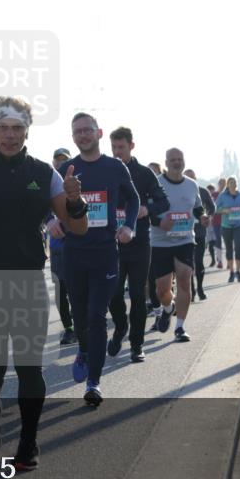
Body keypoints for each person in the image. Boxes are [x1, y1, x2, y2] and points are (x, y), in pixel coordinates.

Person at [0, 96, 87, 469]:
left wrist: (76, 202)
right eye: (3, 128)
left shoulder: (45, 172)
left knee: (30, 367)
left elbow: (76, 226)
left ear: (28, 130)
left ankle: (28, 442)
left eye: (17, 128)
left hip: (28, 281)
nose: (10, 136)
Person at [54, 113, 139, 405]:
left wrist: (130, 225)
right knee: (80, 320)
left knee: (96, 316)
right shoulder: (66, 169)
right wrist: (50, 221)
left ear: (99, 133)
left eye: (87, 130)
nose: (82, 136)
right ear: (73, 136)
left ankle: (94, 382)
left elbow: (134, 199)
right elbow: (50, 204)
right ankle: (85, 350)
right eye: (77, 132)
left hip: (105, 253)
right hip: (74, 253)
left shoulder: (114, 168)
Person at [107, 127, 168, 362]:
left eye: (121, 147)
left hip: (139, 243)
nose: (116, 152)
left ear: (131, 146)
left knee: (137, 295)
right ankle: (121, 328)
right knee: (113, 294)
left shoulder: (144, 173)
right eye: (113, 147)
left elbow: (163, 201)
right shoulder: (106, 170)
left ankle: (136, 345)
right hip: (112, 244)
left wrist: (146, 209)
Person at [151, 149, 206, 343]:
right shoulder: (156, 182)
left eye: (180, 159)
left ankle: (180, 327)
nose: (176, 162)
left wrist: (203, 216)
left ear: (184, 161)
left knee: (184, 280)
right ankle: (168, 308)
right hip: (160, 242)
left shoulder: (192, 185)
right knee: (162, 291)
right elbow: (147, 210)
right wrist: (159, 222)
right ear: (166, 162)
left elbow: (198, 207)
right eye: (173, 160)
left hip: (185, 239)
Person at [48, 147, 76, 345]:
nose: (60, 163)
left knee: (77, 288)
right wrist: (49, 219)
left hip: (77, 244)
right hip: (57, 245)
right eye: (57, 160)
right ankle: (68, 328)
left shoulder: (76, 183)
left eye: (64, 159)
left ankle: (80, 323)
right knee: (60, 290)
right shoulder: (46, 182)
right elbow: (41, 206)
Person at [184, 169, 215, 301]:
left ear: (195, 179)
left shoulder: (202, 191)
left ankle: (200, 288)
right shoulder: (181, 191)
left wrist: (208, 216)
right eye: (187, 178)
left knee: (198, 261)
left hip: (200, 232)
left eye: (192, 178)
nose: (189, 181)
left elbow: (212, 207)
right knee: (188, 264)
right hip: (184, 232)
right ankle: (191, 289)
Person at [216, 176, 240, 283]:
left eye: (234, 182)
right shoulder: (222, 196)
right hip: (226, 226)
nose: (233, 184)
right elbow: (216, 209)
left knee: (238, 248)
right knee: (229, 249)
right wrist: (225, 210)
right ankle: (231, 273)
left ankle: (238, 271)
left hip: (239, 225)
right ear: (228, 185)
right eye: (231, 182)